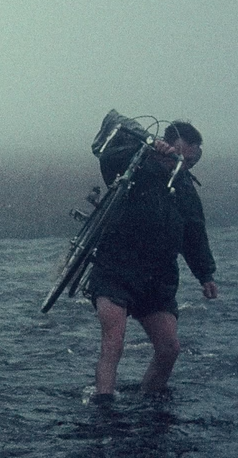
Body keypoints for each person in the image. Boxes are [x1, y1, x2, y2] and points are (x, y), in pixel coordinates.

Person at [85, 118, 218, 401]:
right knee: (114, 342)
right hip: (116, 268)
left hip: (158, 277)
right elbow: (106, 160)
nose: (181, 164)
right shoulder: (136, 165)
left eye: (190, 161)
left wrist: (205, 274)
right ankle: (103, 405)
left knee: (169, 349)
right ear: (168, 144)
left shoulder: (184, 188)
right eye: (179, 155)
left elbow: (194, 232)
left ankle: (150, 401)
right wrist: (147, 151)